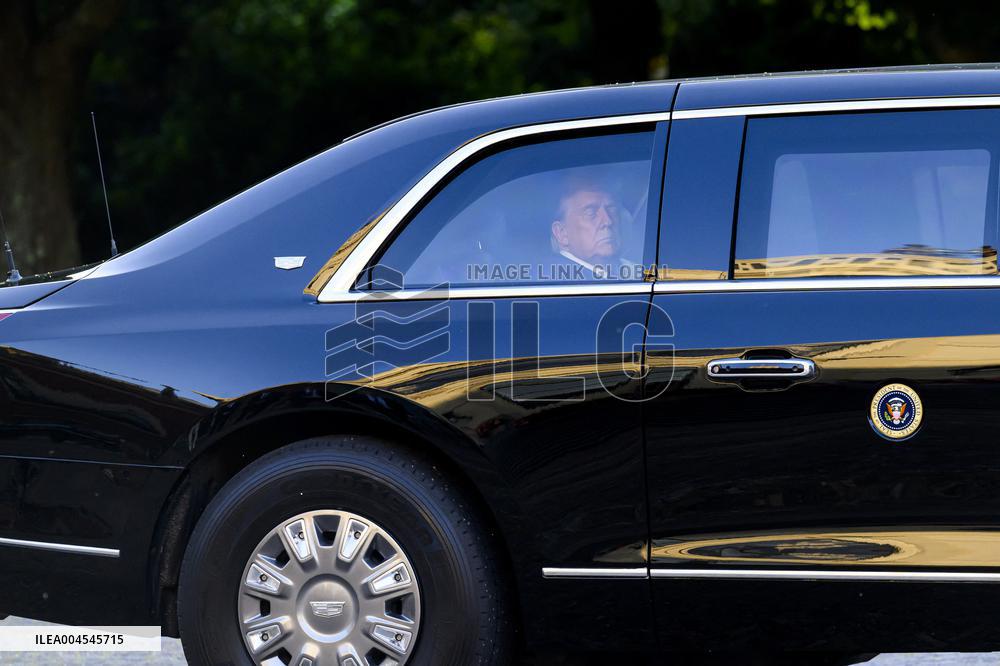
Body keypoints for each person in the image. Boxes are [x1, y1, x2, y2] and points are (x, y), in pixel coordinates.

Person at [550, 179, 633, 279]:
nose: (608, 221)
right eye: (591, 213)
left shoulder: (641, 269)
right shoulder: (555, 283)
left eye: (612, 210)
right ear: (561, 233)